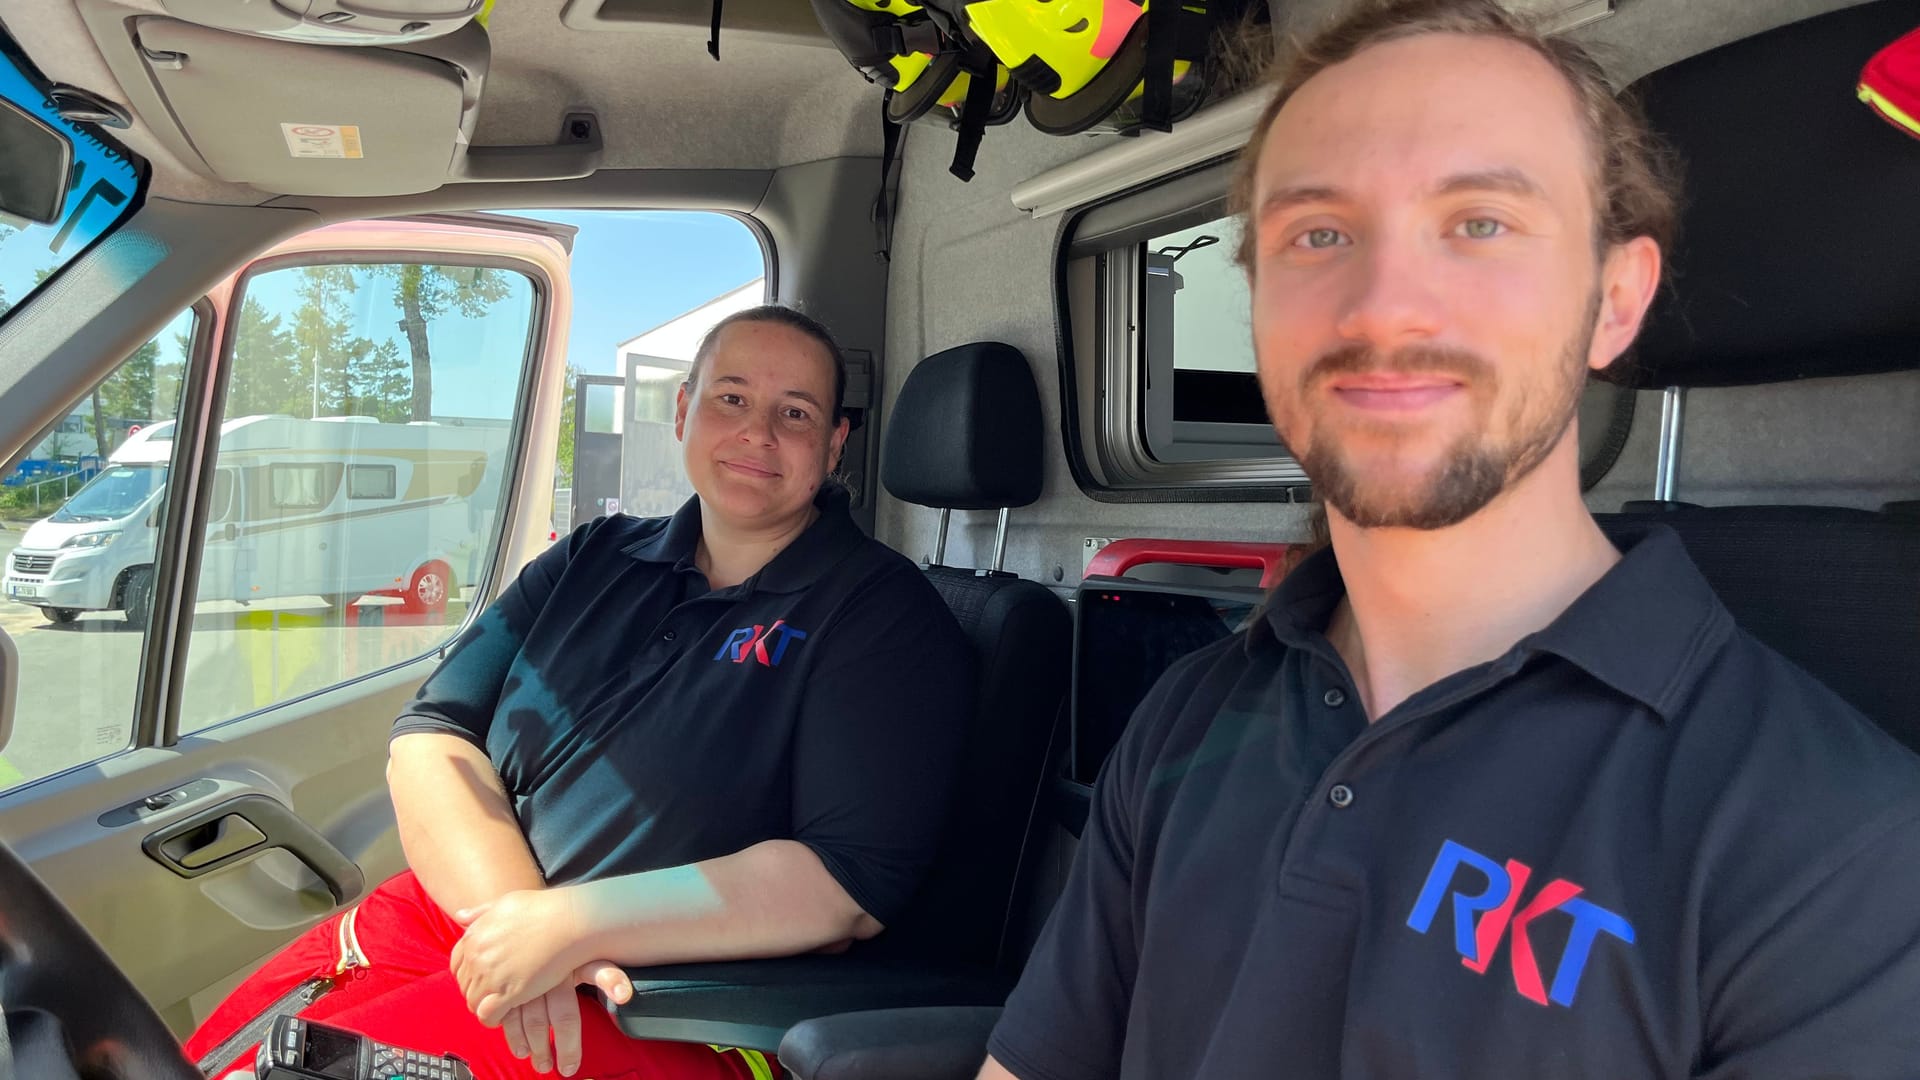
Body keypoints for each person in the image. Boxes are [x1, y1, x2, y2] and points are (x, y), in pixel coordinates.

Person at [979, 2, 1920, 1077]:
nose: (1386, 307)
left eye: (1480, 222)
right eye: (1317, 234)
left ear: (1616, 300)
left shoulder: (1839, 856)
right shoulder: (1189, 717)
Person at [186, 305, 975, 1080]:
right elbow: (432, 735)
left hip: (665, 998)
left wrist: (566, 929)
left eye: (794, 412)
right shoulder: (594, 554)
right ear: (682, 411)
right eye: (731, 398)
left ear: (834, 444)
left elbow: (843, 884)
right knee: (208, 1061)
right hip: (464, 915)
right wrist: (518, 924)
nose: (757, 432)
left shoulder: (878, 614)